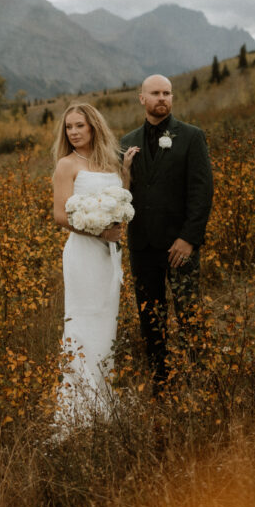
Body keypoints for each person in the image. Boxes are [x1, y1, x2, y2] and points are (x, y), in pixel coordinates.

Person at [121, 74, 213, 394]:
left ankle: (199, 379)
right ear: (141, 98)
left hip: (179, 245)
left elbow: (202, 192)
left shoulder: (191, 136)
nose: (162, 98)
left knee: (189, 313)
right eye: (155, 93)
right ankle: (163, 382)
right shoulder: (125, 142)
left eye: (167, 93)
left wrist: (189, 238)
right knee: (150, 317)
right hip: (143, 245)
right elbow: (122, 194)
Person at [52, 103, 138, 428]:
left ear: (93, 127)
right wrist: (99, 230)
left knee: (106, 325)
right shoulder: (66, 165)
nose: (73, 132)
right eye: (69, 127)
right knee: (82, 324)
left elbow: (121, 200)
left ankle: (103, 401)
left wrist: (126, 171)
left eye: (79, 126)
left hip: (109, 257)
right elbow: (60, 216)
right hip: (83, 255)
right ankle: (78, 410)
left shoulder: (110, 163)